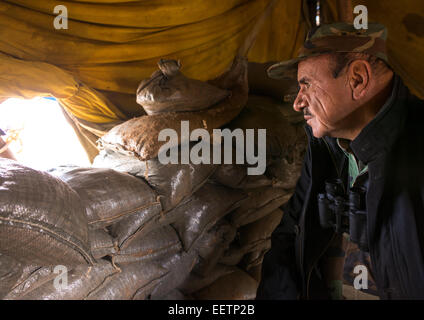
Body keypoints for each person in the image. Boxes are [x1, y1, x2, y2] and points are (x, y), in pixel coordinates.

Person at [256, 22, 424, 300]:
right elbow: (293, 233)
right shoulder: (327, 145)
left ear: (357, 79)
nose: (298, 103)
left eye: (306, 85)